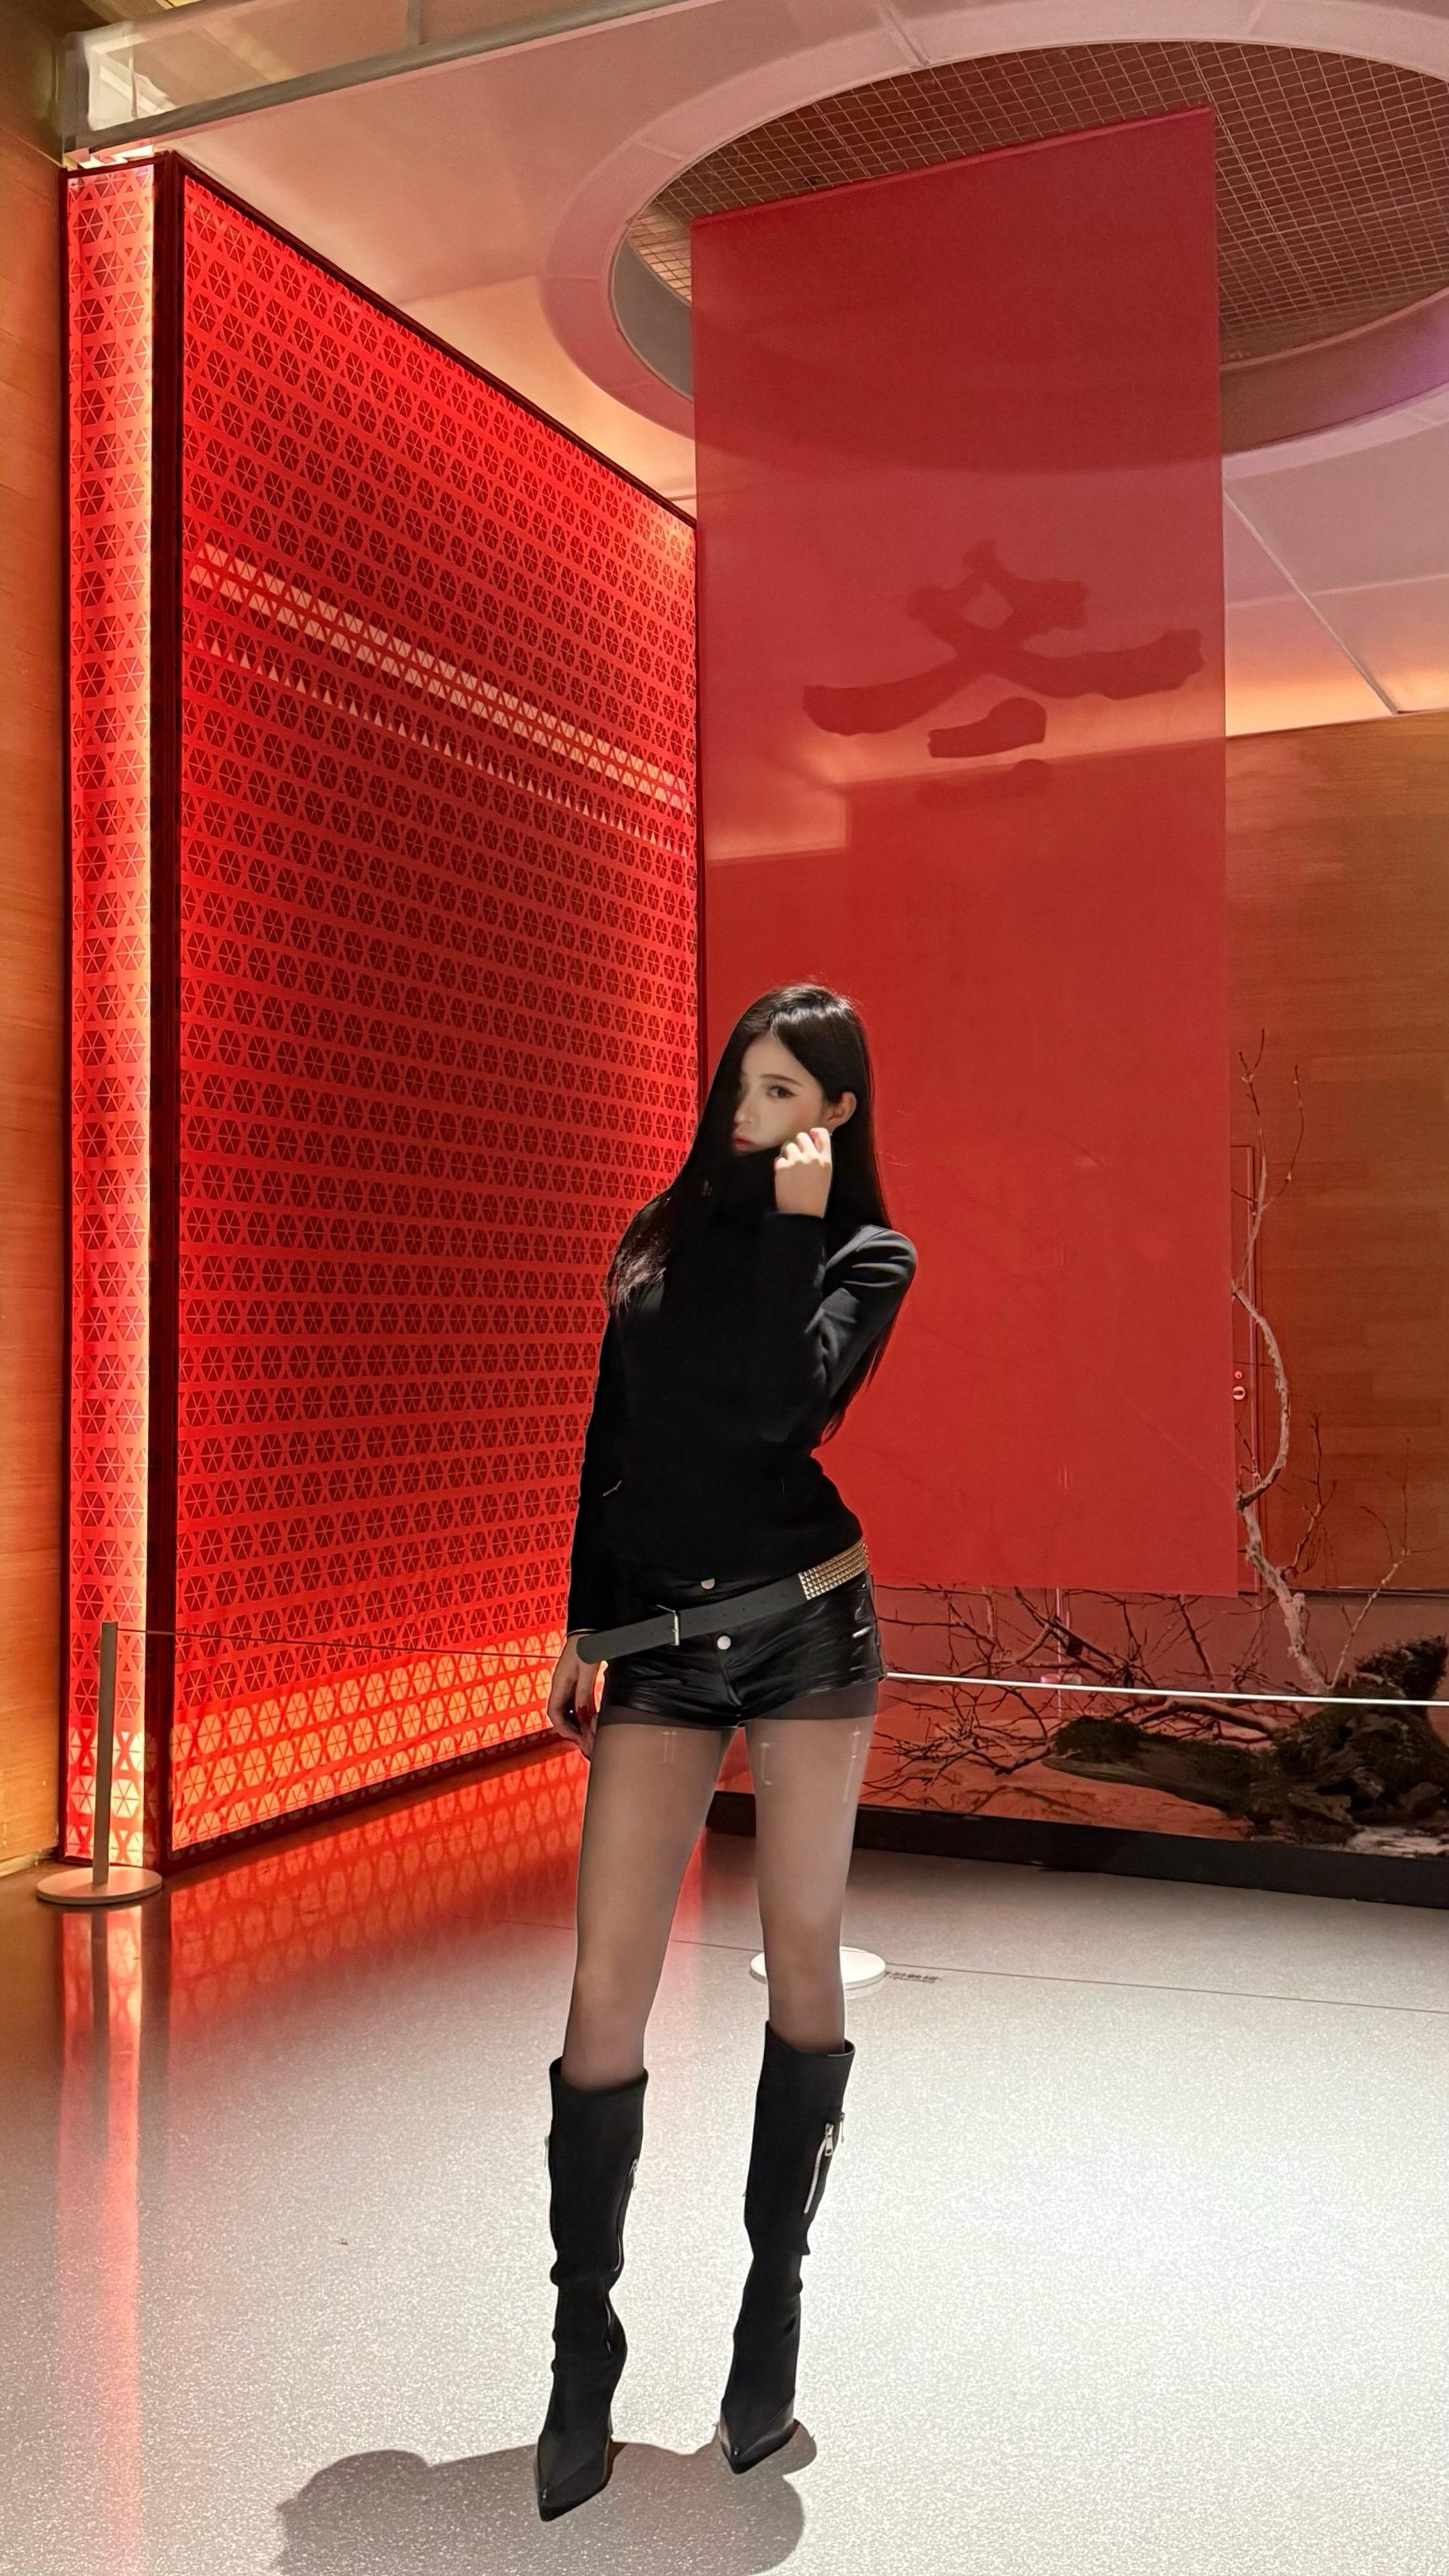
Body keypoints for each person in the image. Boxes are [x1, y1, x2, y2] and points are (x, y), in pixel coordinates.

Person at [535, 981, 918, 2521]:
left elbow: (779, 1412)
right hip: (658, 1641)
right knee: (604, 1984)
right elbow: (611, 1436)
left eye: (786, 1097)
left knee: (802, 1953)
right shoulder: (658, 1233)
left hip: (808, 1626)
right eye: (744, 1088)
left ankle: (773, 2312)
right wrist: (583, 1620)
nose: (752, 1119)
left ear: (835, 1115)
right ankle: (581, 2347)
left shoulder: (864, 1254)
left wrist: (793, 1228)